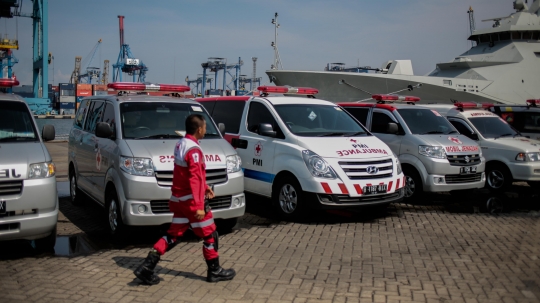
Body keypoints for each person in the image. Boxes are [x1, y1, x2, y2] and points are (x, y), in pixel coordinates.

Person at [134, 114, 236, 285]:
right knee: (210, 234)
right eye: (204, 128)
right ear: (199, 129)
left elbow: (185, 174)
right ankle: (214, 271)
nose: (205, 130)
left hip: (180, 199)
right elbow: (194, 178)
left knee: (173, 235)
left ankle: (147, 266)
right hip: (191, 202)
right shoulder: (194, 150)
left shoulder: (181, 144)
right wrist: (199, 206)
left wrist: (205, 187)